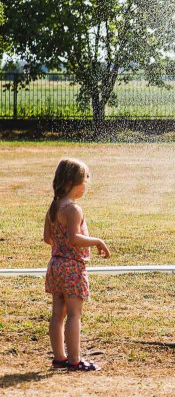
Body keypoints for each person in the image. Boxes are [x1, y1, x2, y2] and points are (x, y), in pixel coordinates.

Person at [42, 158, 110, 372]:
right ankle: (74, 360)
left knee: (57, 314)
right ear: (73, 183)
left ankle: (59, 358)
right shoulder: (73, 209)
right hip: (72, 268)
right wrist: (97, 241)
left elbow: (47, 238)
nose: (86, 186)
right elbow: (74, 238)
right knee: (74, 314)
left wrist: (60, 249)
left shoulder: (54, 207)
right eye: (84, 181)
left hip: (55, 266)